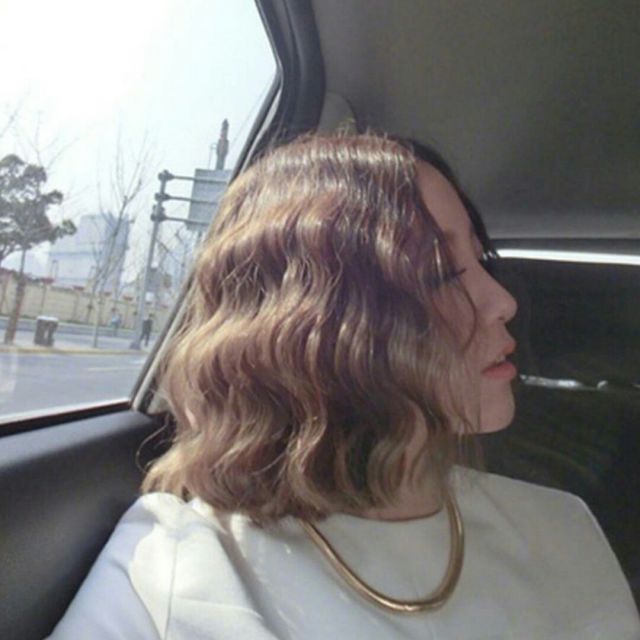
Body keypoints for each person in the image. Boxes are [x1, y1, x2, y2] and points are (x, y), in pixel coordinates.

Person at [48, 134, 639, 639]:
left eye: (482, 262)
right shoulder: (173, 566)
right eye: (440, 272)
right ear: (310, 328)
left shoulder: (562, 528)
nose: (502, 301)